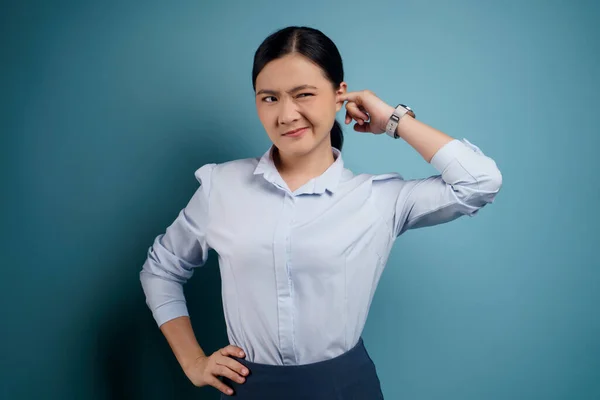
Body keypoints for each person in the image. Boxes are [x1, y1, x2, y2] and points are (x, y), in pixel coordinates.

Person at [139, 26, 502, 399]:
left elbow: (480, 182)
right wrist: (193, 362)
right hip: (249, 390)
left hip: (345, 388)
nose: (286, 114)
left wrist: (393, 119)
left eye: (304, 95)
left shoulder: (379, 198)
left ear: (339, 95)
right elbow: (161, 270)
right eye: (269, 98)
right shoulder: (222, 186)